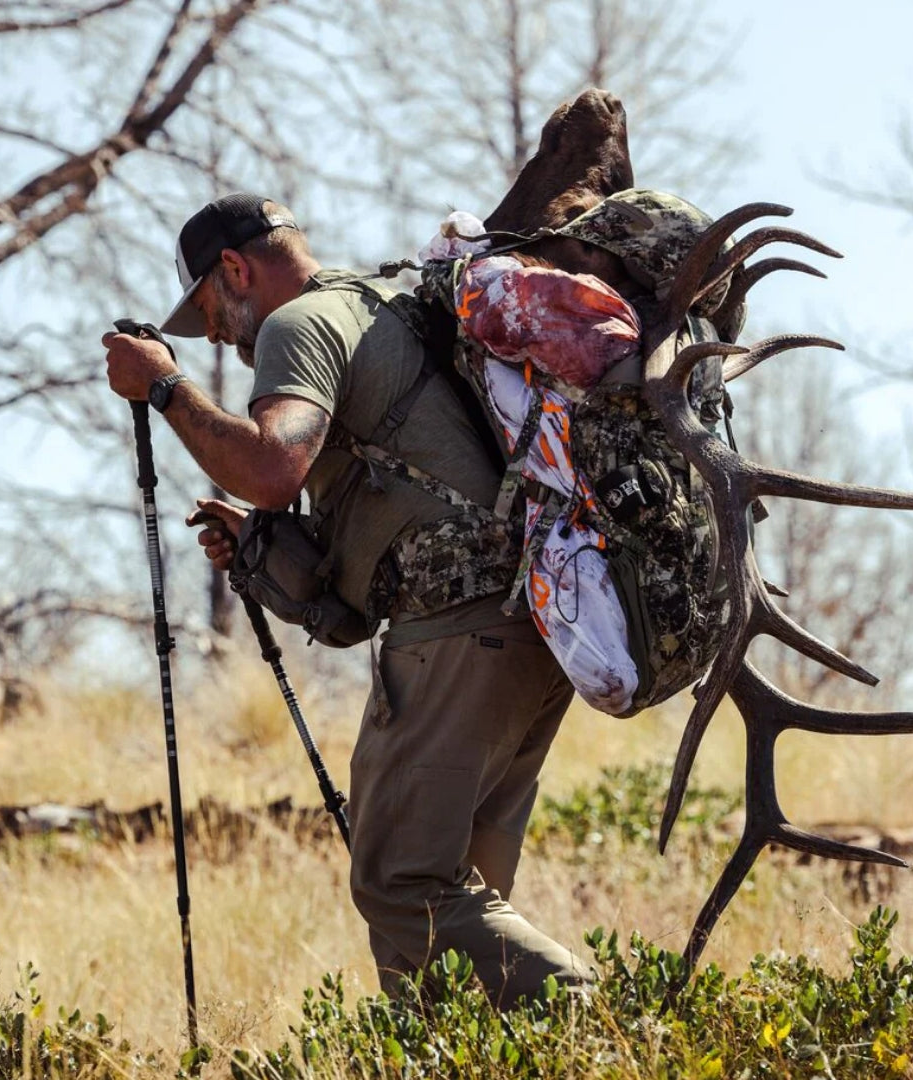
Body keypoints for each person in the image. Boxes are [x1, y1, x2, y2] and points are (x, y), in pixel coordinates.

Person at [102, 192, 593, 1006]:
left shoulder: (298, 326)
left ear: (235, 269)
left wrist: (165, 389)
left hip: (454, 632)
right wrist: (266, 552)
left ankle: (609, 1024)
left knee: (402, 887)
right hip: (533, 628)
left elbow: (270, 467)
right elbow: (360, 566)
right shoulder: (389, 303)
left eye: (210, 309)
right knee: (444, 917)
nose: (216, 333)